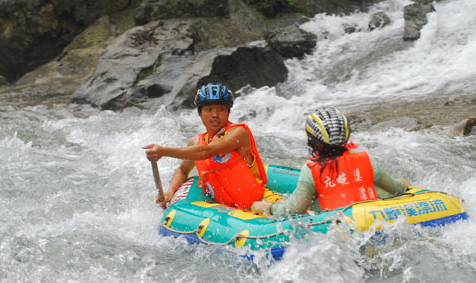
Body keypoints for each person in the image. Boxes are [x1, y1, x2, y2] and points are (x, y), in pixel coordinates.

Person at [143, 83, 282, 209]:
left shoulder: (239, 133)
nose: (215, 115)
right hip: (230, 211)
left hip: (262, 202)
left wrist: (163, 151)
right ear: (200, 113)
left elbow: (206, 152)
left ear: (228, 112)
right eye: (208, 109)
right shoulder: (196, 142)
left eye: (221, 109)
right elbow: (182, 171)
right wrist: (171, 191)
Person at [251, 107, 408, 217]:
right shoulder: (367, 161)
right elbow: (396, 189)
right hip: (370, 220)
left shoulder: (311, 170)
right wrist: (402, 183)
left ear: (313, 140)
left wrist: (268, 207)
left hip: (332, 227)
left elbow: (293, 210)